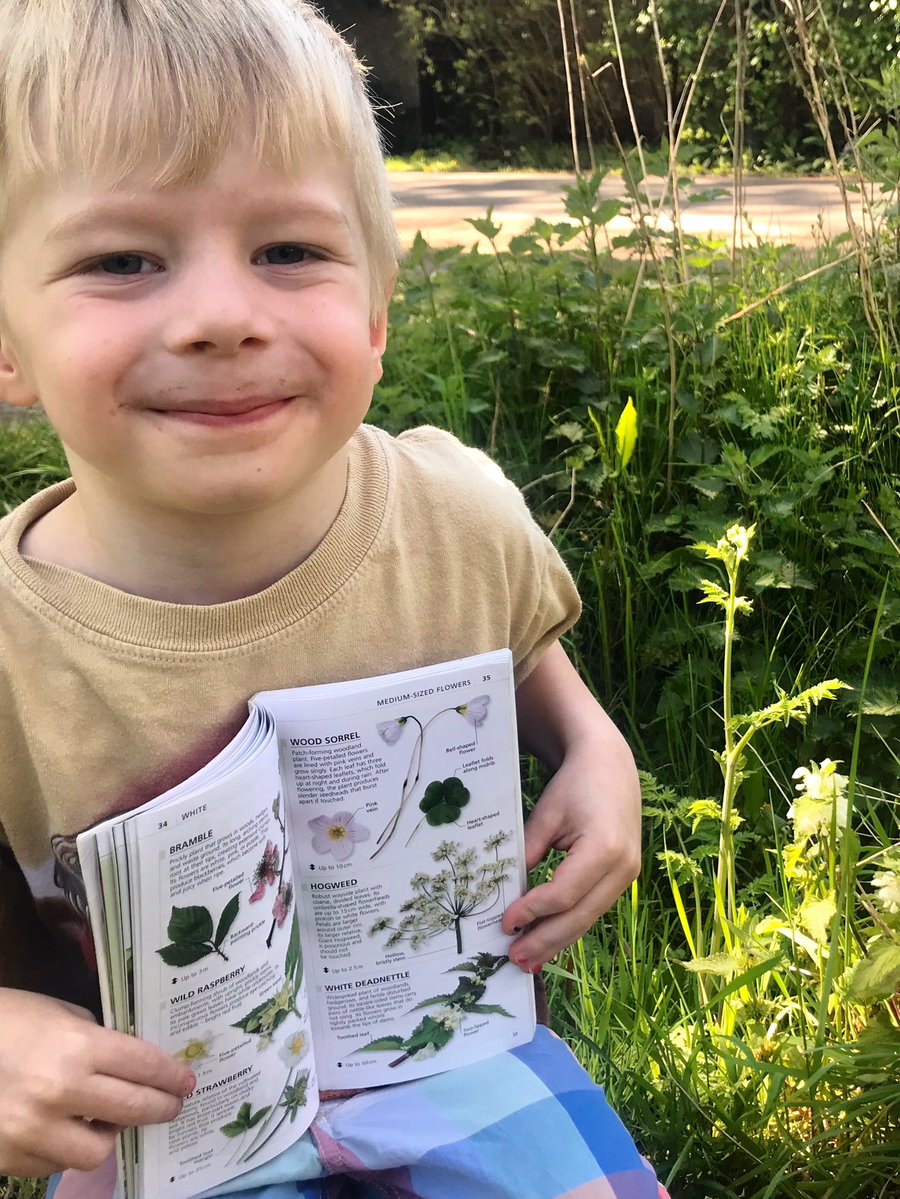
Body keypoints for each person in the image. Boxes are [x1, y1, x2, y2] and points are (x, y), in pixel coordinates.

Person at [0, 1, 663, 1196]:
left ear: (374, 308)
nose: (221, 318)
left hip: (459, 1063)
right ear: (7, 344)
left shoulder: (454, 515)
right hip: (163, 1130)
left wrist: (600, 757)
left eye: (289, 251)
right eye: (121, 261)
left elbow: (540, 680)